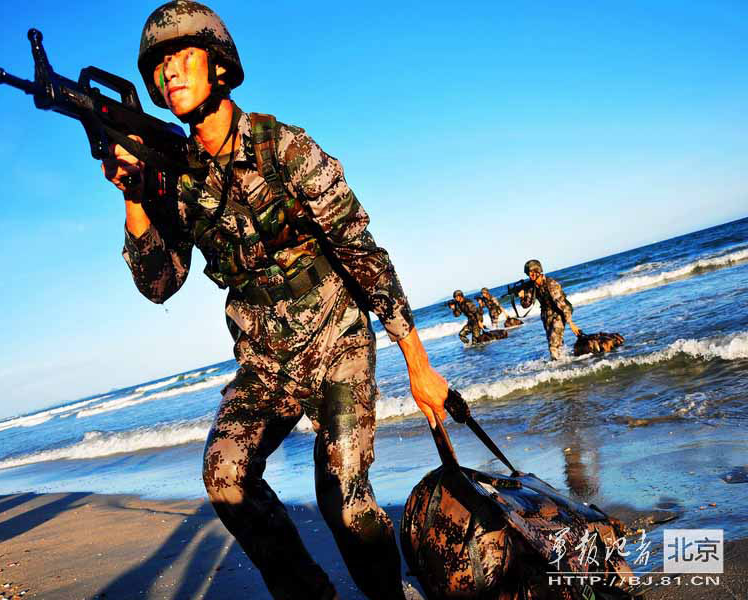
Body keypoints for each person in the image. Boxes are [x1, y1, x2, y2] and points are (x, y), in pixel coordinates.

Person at [101, 2, 447, 599]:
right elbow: (160, 282)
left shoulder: (283, 147)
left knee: (344, 497)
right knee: (224, 475)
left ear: (219, 66)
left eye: (184, 55)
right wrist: (132, 195)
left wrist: (419, 364)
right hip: (264, 364)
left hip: (337, 341)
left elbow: (362, 252)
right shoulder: (176, 179)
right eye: (159, 64)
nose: (170, 72)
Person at [518, 259, 580, 360]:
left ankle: (557, 369)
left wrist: (571, 323)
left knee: (553, 346)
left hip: (558, 314)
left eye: (532, 273)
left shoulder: (551, 284)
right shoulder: (532, 287)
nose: (530, 276)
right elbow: (526, 304)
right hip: (546, 315)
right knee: (555, 342)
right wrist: (521, 296)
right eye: (529, 274)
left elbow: (562, 305)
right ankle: (567, 363)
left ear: (538, 271)